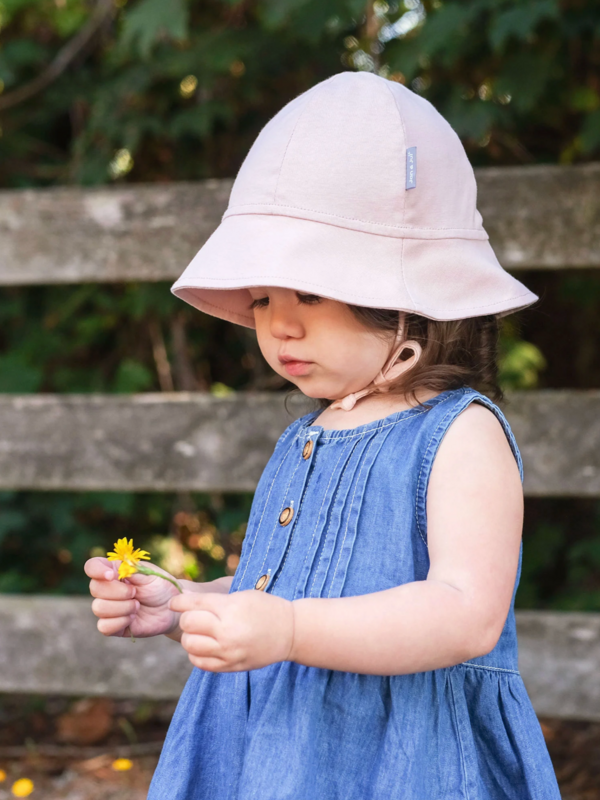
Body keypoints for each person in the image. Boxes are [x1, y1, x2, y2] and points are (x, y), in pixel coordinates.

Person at [84, 71, 562, 799]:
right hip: (271, 752)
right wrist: (186, 603)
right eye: (264, 296)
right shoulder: (308, 436)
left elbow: (467, 613)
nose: (280, 323)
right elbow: (278, 593)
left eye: (310, 290)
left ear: (404, 297)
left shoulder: (460, 435)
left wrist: (289, 632)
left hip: (401, 759)